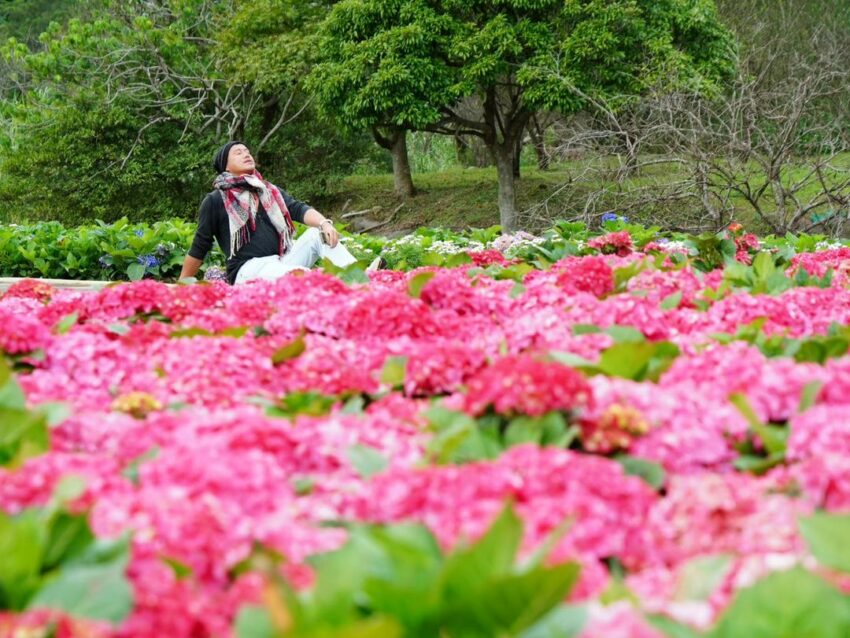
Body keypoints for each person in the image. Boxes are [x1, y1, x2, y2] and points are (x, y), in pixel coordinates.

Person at [179, 141, 364, 284]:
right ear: (225, 166)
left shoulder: (268, 190)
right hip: (248, 271)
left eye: (247, 151)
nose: (246, 154)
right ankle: (331, 283)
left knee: (317, 233)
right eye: (238, 152)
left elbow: (298, 209)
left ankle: (359, 277)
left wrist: (324, 223)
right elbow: (200, 246)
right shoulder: (215, 200)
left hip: (280, 261)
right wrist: (182, 284)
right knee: (288, 272)